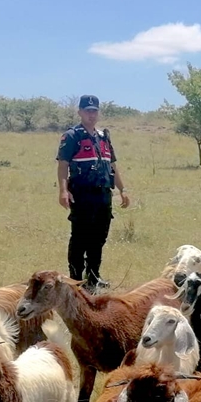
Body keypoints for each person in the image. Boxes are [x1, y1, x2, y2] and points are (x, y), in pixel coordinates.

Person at [57, 95, 130, 290]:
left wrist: (123, 189)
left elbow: (112, 165)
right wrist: (63, 191)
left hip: (103, 195)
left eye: (94, 110)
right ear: (80, 112)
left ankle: (93, 277)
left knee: (99, 237)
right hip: (82, 194)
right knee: (80, 237)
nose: (91, 114)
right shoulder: (72, 136)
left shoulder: (104, 136)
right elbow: (63, 165)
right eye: (87, 110)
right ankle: (75, 279)